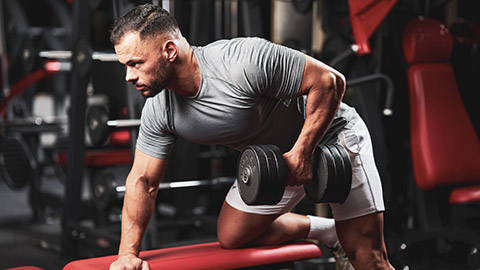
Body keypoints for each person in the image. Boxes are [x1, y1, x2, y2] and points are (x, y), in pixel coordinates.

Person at [108, 3, 394, 270]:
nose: (128, 77)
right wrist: (127, 255)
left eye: (135, 63)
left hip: (331, 137)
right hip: (277, 161)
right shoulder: (159, 110)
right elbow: (143, 181)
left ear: (169, 51)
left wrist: (303, 152)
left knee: (368, 258)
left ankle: (350, 239)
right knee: (233, 235)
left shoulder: (241, 62)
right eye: (125, 66)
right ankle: (330, 232)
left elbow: (330, 82)